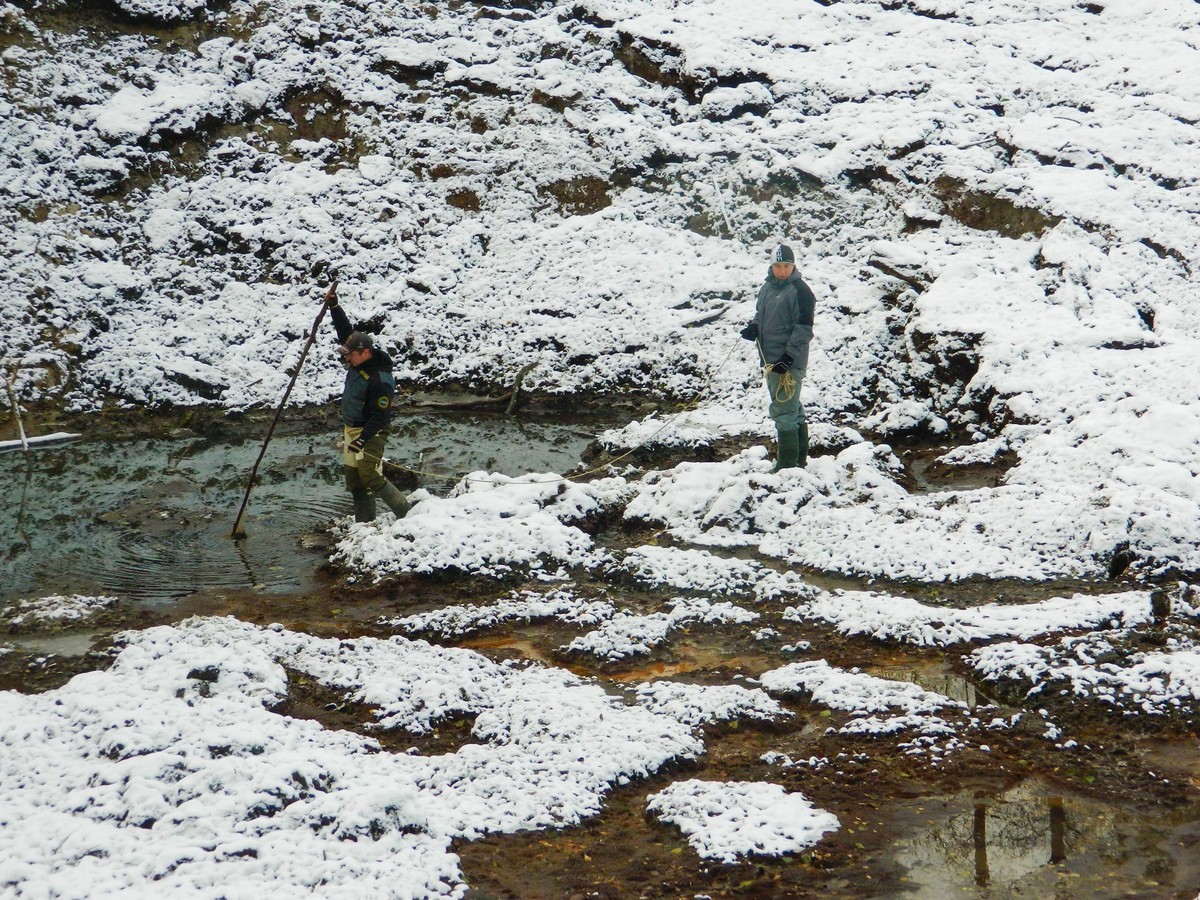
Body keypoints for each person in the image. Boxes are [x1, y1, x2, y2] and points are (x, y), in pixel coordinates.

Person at [325, 289, 410, 522]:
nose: (347, 358)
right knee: (354, 479)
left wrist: (363, 439)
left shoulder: (380, 381)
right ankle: (365, 523)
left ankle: (407, 514)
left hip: (372, 430)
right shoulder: (358, 357)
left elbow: (380, 417)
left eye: (350, 355)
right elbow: (346, 333)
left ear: (365, 353)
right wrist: (334, 307)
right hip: (351, 428)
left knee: (370, 474)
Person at [740, 244, 816, 470]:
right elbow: (761, 314)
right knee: (792, 408)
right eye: (777, 266)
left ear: (793, 266)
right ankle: (799, 461)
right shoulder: (767, 287)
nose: (782, 270)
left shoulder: (801, 291)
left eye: (786, 266)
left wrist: (788, 358)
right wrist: (754, 327)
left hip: (788, 362)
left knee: (783, 410)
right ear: (771, 266)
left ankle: (787, 466)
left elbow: (803, 329)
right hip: (771, 359)